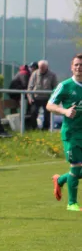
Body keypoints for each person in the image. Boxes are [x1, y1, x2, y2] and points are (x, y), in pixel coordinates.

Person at [48, 54, 82, 211]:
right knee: (76, 167)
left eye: (81, 65)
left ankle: (60, 180)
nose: (79, 67)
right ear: (71, 67)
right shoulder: (65, 86)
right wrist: (65, 111)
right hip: (71, 134)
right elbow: (50, 105)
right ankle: (72, 203)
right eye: (76, 65)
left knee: (78, 171)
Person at [28, 60, 58, 130]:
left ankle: (45, 128)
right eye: (40, 67)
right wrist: (30, 97)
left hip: (47, 98)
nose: (41, 69)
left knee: (47, 114)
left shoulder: (52, 75)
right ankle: (34, 128)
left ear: (46, 67)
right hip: (36, 98)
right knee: (33, 112)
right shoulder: (34, 74)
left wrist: (54, 99)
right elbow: (30, 87)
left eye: (43, 68)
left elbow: (55, 87)